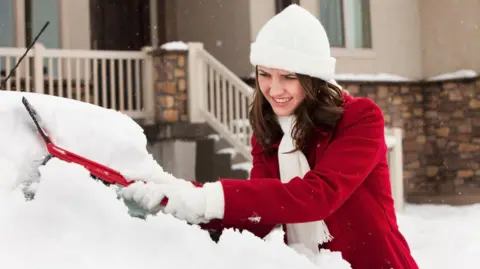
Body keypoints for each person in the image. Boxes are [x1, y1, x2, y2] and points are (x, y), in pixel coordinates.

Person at [120, 4, 419, 269]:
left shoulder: (359, 118)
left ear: (313, 78)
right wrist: (177, 200)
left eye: (288, 76)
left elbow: (318, 195)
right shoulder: (270, 132)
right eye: (264, 74)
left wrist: (205, 198)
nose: (274, 90)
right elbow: (259, 217)